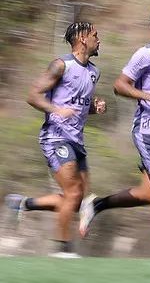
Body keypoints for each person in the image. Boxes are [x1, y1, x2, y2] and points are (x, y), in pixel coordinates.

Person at [78, 5, 150, 259]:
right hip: (148, 130)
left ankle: (97, 204)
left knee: (149, 194)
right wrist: (149, 96)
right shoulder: (146, 54)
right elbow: (120, 86)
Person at [6, 22, 105, 258]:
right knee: (72, 195)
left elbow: (79, 105)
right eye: (95, 36)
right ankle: (63, 250)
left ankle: (23, 204)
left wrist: (95, 107)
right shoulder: (61, 65)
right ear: (82, 38)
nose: (99, 40)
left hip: (77, 140)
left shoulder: (94, 71)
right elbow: (33, 96)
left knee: (77, 201)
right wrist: (55, 110)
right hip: (55, 137)